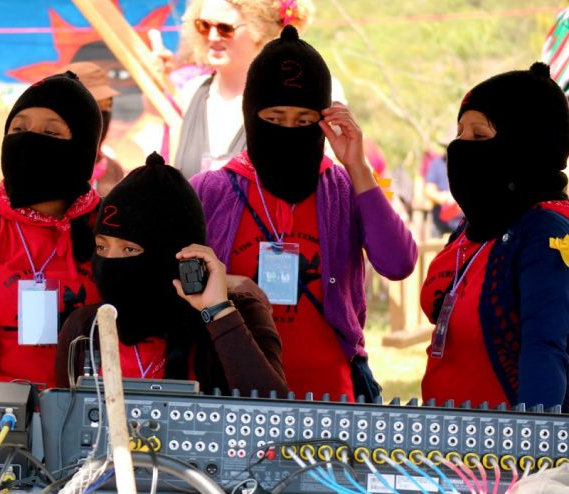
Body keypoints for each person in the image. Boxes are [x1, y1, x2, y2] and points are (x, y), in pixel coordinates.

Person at [191, 26, 417, 401]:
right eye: (275, 118)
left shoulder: (343, 189)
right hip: (234, 393)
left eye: (303, 121)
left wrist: (357, 166)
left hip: (331, 395)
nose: (288, 131)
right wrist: (229, 282)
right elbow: (173, 278)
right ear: (251, 115)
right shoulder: (211, 191)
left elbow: (398, 263)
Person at [55, 152, 287, 396]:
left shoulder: (241, 314)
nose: (109, 262)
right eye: (102, 247)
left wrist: (218, 313)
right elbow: (64, 413)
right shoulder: (86, 327)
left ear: (179, 256)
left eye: (130, 249)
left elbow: (272, 408)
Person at [0, 72, 102, 387]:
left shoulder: (111, 227)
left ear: (82, 148)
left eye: (50, 132)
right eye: (19, 129)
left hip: (96, 411)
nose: (29, 141)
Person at [421, 63, 569, 411]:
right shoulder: (475, 227)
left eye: (479, 136)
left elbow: (546, 348)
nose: (460, 147)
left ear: (525, 146)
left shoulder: (545, 232)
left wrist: (529, 438)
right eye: (459, 132)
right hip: (448, 437)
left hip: (504, 442)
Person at [169, 0, 314, 178]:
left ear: (259, 30)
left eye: (225, 28)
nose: (212, 36)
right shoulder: (191, 92)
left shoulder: (292, 103)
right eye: (204, 25)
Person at [55, 61, 125, 197]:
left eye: (107, 105)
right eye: (94, 106)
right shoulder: (40, 166)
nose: (102, 115)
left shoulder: (113, 169)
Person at [424, 154, 463, 237]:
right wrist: (442, 197)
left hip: (461, 221)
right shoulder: (436, 164)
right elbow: (429, 189)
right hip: (440, 221)